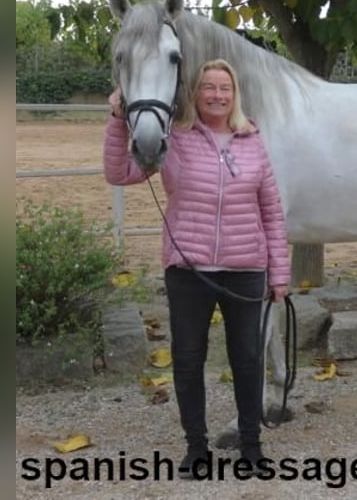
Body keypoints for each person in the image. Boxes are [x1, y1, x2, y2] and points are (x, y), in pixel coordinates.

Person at [103, 58, 291, 478]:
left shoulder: (252, 140)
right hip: (188, 272)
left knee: (246, 360)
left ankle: (251, 446)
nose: (217, 95)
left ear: (234, 94)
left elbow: (272, 212)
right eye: (208, 87)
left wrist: (279, 273)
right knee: (188, 360)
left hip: (246, 270)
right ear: (195, 93)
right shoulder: (177, 141)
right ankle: (196, 448)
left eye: (224, 88)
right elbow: (119, 172)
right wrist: (118, 121)